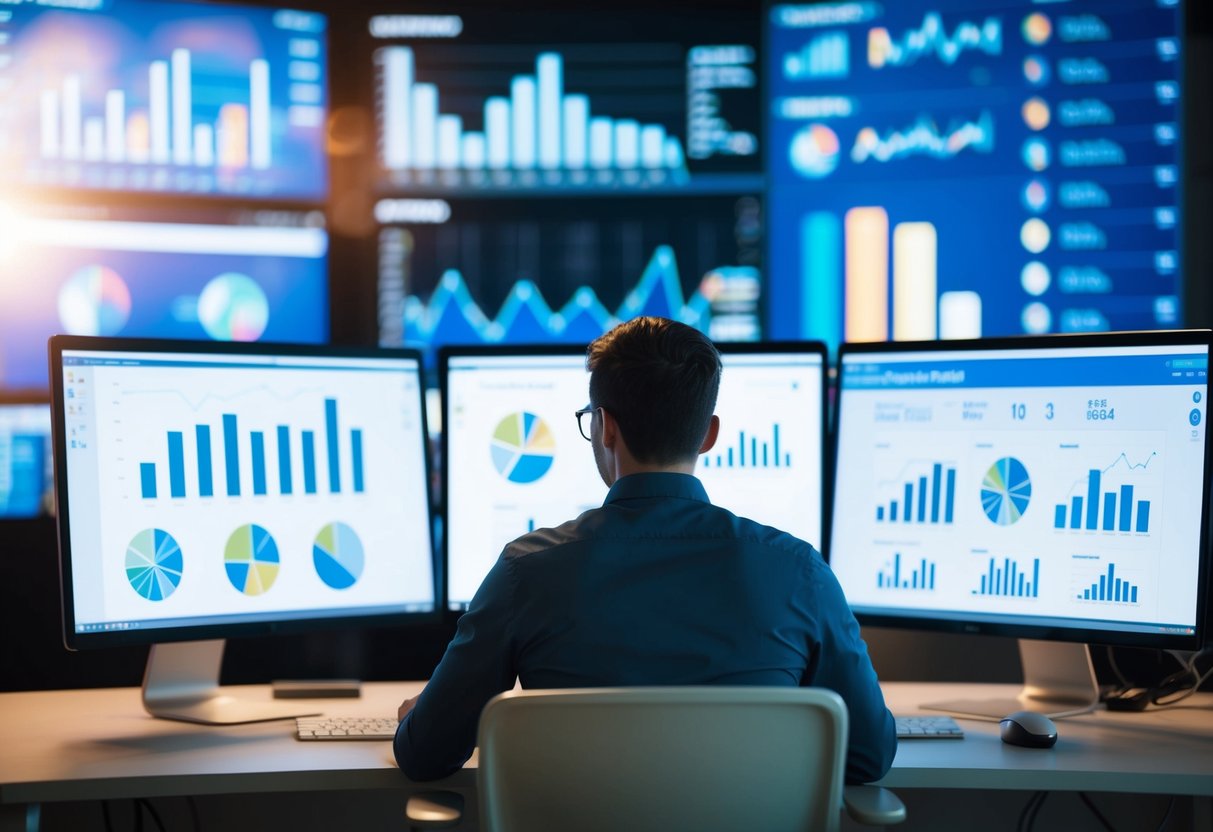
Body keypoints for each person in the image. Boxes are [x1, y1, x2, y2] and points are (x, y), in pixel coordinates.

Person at [394, 316, 896, 783]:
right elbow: (869, 756)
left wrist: (418, 717)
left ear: (605, 426)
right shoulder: (798, 571)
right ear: (708, 435)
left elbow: (425, 756)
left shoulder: (526, 570)